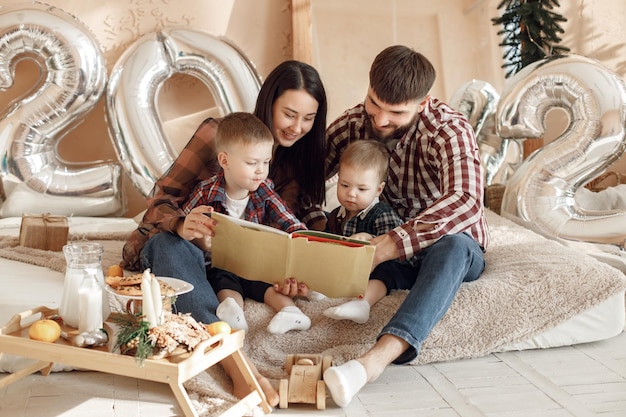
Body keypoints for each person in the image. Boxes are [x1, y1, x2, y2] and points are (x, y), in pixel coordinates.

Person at [120, 60, 329, 406]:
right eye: (290, 114)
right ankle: (238, 367)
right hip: (185, 245)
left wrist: (298, 268)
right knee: (168, 247)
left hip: (238, 265)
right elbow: (159, 199)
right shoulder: (217, 133)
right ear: (269, 103)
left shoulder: (293, 163)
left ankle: (239, 362)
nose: (297, 128)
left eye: (308, 119)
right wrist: (183, 224)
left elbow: (286, 227)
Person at [322, 45, 490, 407]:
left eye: (396, 112)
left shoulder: (449, 130)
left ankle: (372, 363)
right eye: (373, 103)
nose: (379, 120)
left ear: (423, 102)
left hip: (446, 251)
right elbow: (303, 175)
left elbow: (467, 200)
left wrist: (385, 246)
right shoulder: (354, 123)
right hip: (391, 257)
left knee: (455, 245)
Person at [181, 112, 311, 335]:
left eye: (266, 162)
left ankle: (291, 313)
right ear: (225, 161)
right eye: (252, 163)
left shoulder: (264, 189)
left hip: (254, 264)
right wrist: (197, 237)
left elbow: (288, 220)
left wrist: (302, 240)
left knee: (268, 281)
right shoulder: (206, 192)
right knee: (222, 280)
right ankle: (233, 311)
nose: (261, 170)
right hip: (219, 265)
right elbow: (183, 227)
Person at [322, 140, 403, 324]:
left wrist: (371, 239)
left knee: (387, 271)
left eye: (362, 189)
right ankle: (322, 290)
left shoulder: (381, 213)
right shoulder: (336, 215)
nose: (351, 193)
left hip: (381, 269)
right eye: (344, 185)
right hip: (350, 271)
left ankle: (363, 303)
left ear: (378, 189)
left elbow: (396, 250)